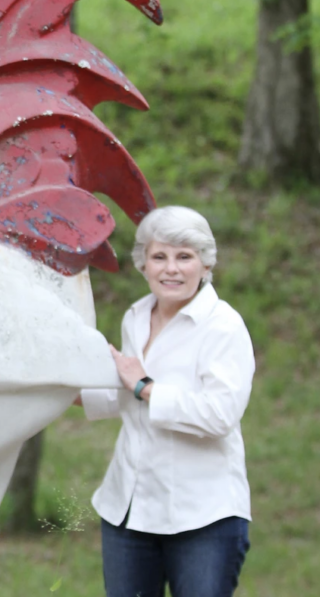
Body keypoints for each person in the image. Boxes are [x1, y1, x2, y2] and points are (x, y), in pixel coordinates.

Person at [77, 205, 255, 597]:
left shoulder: (223, 327)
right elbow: (126, 394)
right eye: (159, 257)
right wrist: (67, 386)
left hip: (203, 518)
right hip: (128, 511)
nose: (171, 269)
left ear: (206, 265)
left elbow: (218, 415)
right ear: (143, 264)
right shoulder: (135, 317)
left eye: (184, 257)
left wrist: (144, 386)